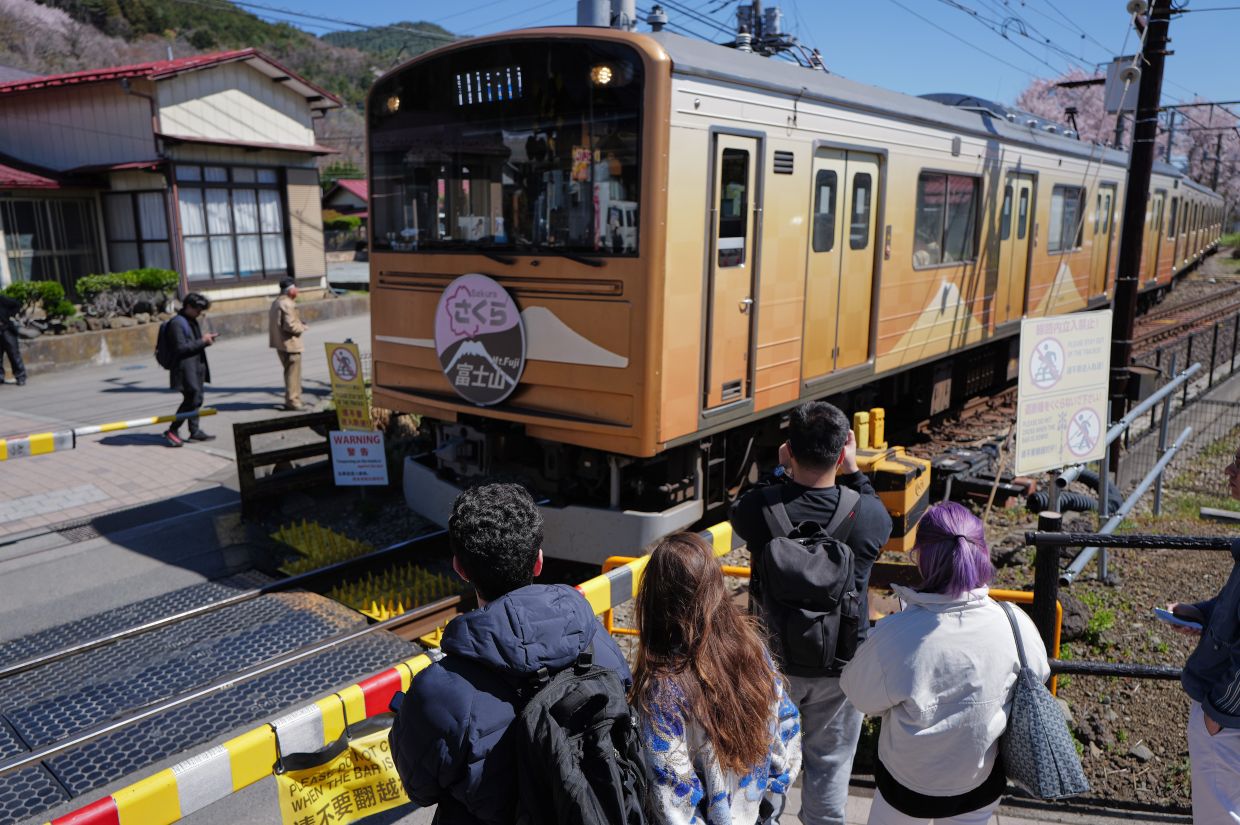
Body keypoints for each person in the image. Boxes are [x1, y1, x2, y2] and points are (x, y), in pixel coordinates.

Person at [389, 482, 632, 824]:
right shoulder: (599, 643)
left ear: (459, 568)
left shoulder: (439, 691)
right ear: (538, 562)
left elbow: (420, 788)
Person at [730, 401, 892, 825]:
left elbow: (742, 505)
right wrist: (855, 471)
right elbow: (881, 516)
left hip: (772, 667)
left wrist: (779, 472)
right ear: (840, 454)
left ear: (789, 451)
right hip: (841, 670)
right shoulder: (867, 516)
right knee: (831, 771)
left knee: (764, 773)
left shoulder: (760, 510)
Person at [839, 502, 1050, 825]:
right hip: (979, 782)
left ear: (922, 557)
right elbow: (1039, 672)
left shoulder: (897, 634)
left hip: (907, 788)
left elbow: (858, 694)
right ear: (981, 552)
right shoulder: (1014, 622)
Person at [632, 531, 802, 825]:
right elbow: (787, 730)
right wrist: (768, 805)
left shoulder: (663, 689)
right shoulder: (753, 650)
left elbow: (672, 800)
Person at [1167, 443, 1240, 824]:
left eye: (1239, 463)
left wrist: (1217, 712)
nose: (1229, 469)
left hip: (1228, 724)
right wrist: (1204, 613)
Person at [164, 293, 217, 447]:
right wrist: (203, 341)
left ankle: (194, 431)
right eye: (198, 309)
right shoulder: (177, 323)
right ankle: (172, 430)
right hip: (184, 370)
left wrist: (204, 341)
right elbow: (180, 348)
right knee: (191, 400)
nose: (200, 312)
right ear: (188, 307)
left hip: (195, 367)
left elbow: (193, 343)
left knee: (197, 399)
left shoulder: (191, 320)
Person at [269, 277, 308, 411]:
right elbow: (290, 326)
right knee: (293, 374)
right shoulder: (287, 303)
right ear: (291, 290)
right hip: (290, 344)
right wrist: (302, 327)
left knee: (289, 373)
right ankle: (293, 402)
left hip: (280, 344)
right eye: (295, 288)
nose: (297, 291)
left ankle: (292, 399)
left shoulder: (276, 302)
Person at [0, 293, 27, 386]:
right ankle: (0, 377)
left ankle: (21, 376)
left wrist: (8, 316)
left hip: (6, 329)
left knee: (13, 354)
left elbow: (16, 304)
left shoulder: (2, 299)